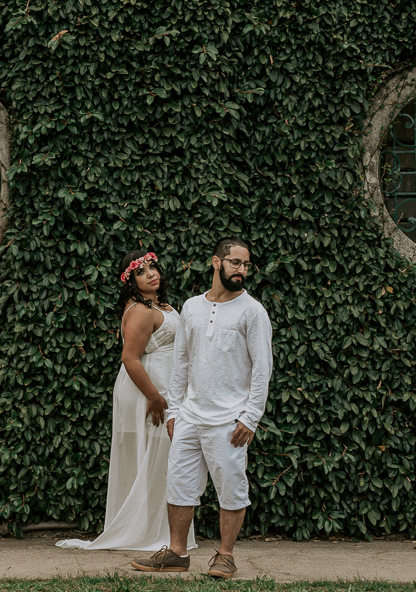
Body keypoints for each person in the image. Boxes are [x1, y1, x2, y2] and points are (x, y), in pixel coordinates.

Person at [130, 237, 272, 578]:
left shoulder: (253, 311)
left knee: (231, 487)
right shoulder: (192, 307)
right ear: (216, 262)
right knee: (179, 484)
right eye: (235, 262)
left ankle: (225, 555)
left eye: (246, 265)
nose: (241, 270)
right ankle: (178, 552)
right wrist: (176, 411)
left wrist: (250, 417)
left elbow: (262, 368)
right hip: (190, 416)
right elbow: (181, 363)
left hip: (229, 420)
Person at [57, 250, 196, 551]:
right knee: (151, 458)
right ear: (130, 281)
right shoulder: (141, 311)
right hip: (147, 393)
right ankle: (146, 532)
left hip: (164, 390)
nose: (150, 273)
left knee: (163, 459)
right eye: (141, 272)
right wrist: (155, 397)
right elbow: (130, 359)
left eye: (152, 267)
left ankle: (159, 531)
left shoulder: (160, 305)